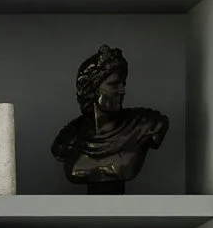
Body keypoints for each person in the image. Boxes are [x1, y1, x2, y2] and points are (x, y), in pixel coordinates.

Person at [51, 43, 169, 187]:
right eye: (114, 85)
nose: (122, 91)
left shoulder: (145, 124)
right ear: (93, 90)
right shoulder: (70, 137)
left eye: (123, 84)